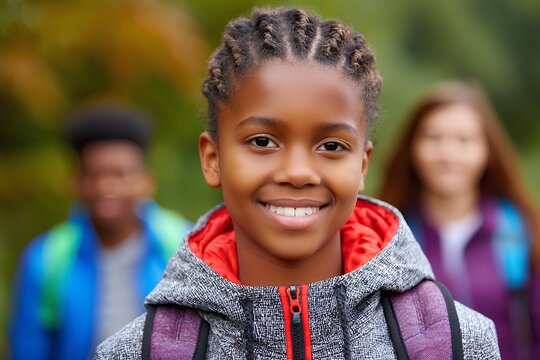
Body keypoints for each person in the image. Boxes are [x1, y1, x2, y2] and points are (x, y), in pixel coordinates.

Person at [95, 8, 500, 359]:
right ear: (213, 158)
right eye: (263, 141)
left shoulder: (457, 344)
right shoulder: (136, 352)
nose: (298, 172)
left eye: (330, 145)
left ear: (363, 165)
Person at [8, 104, 192, 360]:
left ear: (145, 181)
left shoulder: (185, 246)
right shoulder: (47, 259)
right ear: (76, 182)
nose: (106, 186)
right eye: (94, 174)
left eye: (120, 174)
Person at [378, 82, 540, 360]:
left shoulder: (520, 231)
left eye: (464, 140)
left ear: (487, 150)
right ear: (412, 147)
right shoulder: (386, 238)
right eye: (433, 137)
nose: (448, 154)